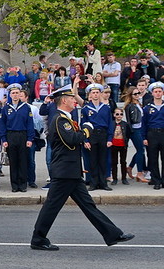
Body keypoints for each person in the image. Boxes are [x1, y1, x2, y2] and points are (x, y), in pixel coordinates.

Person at [31, 86, 134, 250]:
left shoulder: (66, 118)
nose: (74, 100)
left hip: (71, 171)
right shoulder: (59, 119)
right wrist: (87, 129)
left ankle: (113, 233)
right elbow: (72, 139)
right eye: (72, 98)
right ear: (64, 100)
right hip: (64, 172)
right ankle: (38, 239)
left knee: (88, 205)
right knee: (52, 207)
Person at [0, 83, 34, 192]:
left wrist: (29, 139)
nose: (15, 95)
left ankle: (23, 185)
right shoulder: (5, 108)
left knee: (23, 161)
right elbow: (2, 124)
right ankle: (14, 185)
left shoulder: (26, 108)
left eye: (17, 93)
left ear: (20, 94)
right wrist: (4, 139)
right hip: (11, 135)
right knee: (13, 161)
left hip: (22, 135)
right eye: (13, 93)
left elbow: (30, 124)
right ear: (10, 95)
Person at [142, 82, 164, 189]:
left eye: (160, 91)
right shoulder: (147, 107)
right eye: (156, 92)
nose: (158, 94)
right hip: (152, 134)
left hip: (163, 133)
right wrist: (144, 137)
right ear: (152, 93)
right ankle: (156, 180)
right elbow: (144, 123)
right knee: (153, 158)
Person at [123, 87, 146, 183]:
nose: (137, 95)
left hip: (141, 128)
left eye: (138, 93)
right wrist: (131, 132)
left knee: (141, 150)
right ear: (130, 95)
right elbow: (129, 121)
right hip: (135, 129)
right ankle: (139, 172)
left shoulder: (138, 104)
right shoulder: (129, 106)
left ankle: (130, 167)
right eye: (135, 94)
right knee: (140, 150)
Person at [108, 108, 131, 185]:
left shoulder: (125, 124)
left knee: (123, 161)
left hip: (122, 144)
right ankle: (115, 178)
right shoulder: (111, 123)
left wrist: (126, 141)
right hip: (114, 144)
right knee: (114, 162)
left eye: (121, 114)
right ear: (114, 115)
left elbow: (128, 133)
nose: (119, 116)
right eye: (117, 114)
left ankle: (124, 178)